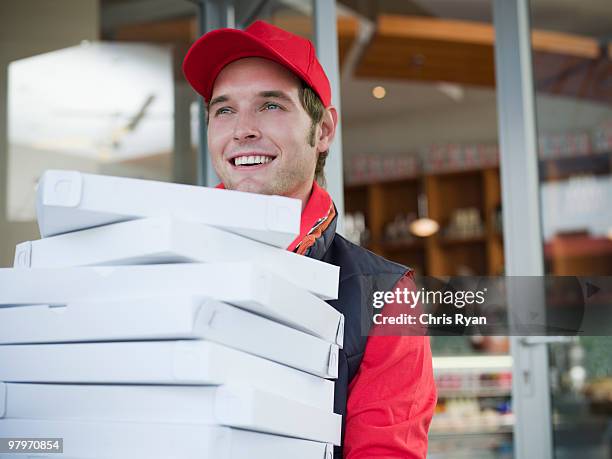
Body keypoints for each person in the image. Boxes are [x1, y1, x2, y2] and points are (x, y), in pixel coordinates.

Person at [183, 20, 436, 458]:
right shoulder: (162, 257)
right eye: (224, 110)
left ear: (323, 131)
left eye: (270, 106)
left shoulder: (388, 297)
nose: (242, 129)